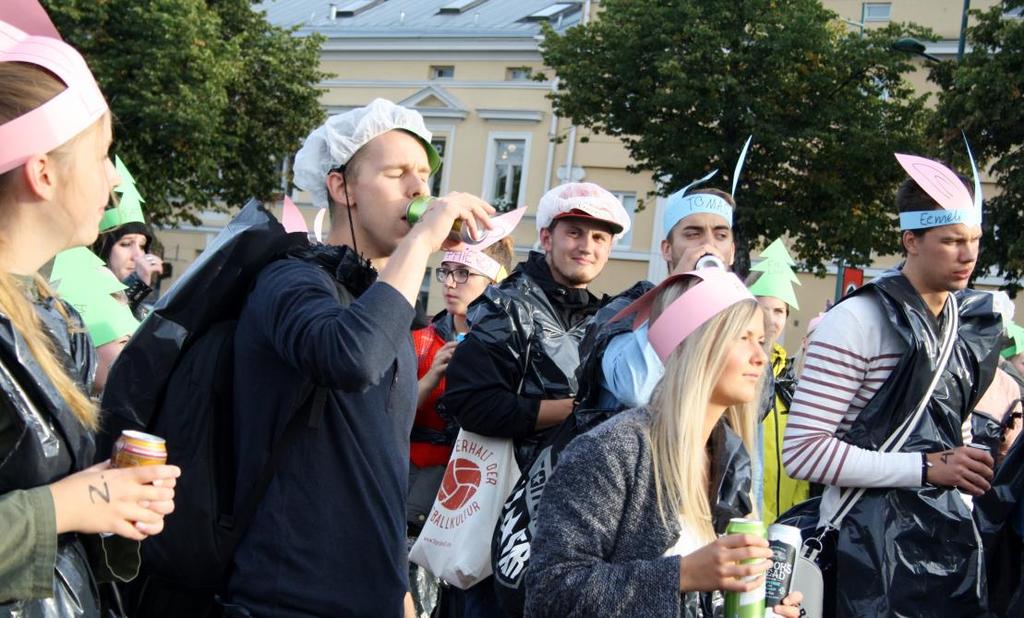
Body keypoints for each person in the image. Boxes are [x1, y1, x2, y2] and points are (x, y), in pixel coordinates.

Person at [223, 98, 494, 617]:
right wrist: (422, 238)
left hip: (373, 595)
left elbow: (380, 461)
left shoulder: (378, 303)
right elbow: (350, 358)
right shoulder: (291, 278)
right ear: (341, 187)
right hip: (288, 597)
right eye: (397, 173)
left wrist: (399, 584)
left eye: (424, 173)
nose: (419, 189)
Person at [0, 12, 178, 614]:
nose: (113, 183)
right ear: (42, 173)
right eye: (103, 156)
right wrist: (74, 503)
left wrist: (114, 494)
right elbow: (50, 504)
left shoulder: (56, 315)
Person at [782, 151, 1003, 615]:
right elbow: (801, 452)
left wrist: (964, 471)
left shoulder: (966, 322)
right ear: (911, 240)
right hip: (861, 553)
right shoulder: (855, 321)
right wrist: (925, 468)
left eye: (975, 240)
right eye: (951, 241)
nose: (969, 255)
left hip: (942, 546)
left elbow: (944, 431)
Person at [525, 270, 802, 617]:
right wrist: (683, 574)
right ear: (693, 345)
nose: (761, 357)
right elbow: (548, 594)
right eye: (742, 338)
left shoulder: (731, 461)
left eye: (760, 340)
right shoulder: (610, 452)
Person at [439, 181, 629, 615]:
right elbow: (469, 403)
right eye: (575, 232)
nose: (587, 246)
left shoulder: (606, 318)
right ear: (546, 237)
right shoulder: (505, 307)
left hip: (572, 523)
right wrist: (570, 414)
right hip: (498, 524)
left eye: (600, 237)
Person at [408, 237, 516, 530]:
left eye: (464, 272)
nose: (450, 283)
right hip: (410, 488)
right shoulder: (419, 341)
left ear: (495, 281)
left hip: (478, 493)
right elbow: (386, 415)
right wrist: (431, 379)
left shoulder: (513, 347)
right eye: (446, 271)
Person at [746, 239, 809, 523]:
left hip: (790, 522)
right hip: (747, 519)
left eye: (779, 311)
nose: (771, 320)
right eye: (762, 308)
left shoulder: (789, 378)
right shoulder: (736, 370)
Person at [93, 221, 162, 319]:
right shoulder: (87, 295)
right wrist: (137, 284)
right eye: (126, 244)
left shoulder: (144, 313)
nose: (138, 256)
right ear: (103, 251)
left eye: (142, 246)